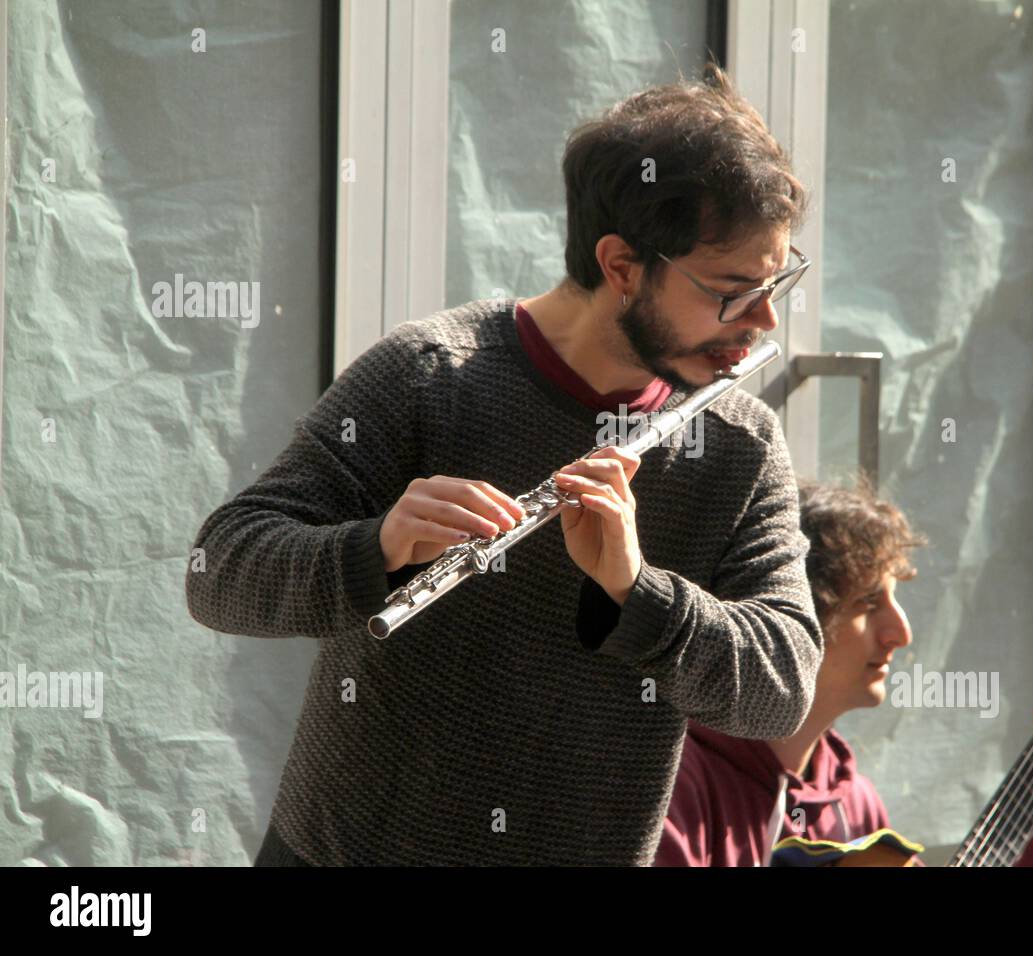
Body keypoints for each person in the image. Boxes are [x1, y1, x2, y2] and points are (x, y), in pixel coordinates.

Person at [185, 62, 824, 866]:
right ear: (623, 266)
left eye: (777, 282)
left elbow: (783, 683)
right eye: (732, 291)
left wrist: (637, 592)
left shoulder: (738, 442)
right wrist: (373, 548)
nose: (763, 321)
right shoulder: (431, 373)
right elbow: (220, 570)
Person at [655, 475, 1033, 866]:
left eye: (895, 599)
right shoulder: (675, 782)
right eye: (868, 603)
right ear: (795, 619)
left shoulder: (854, 803)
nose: (902, 632)